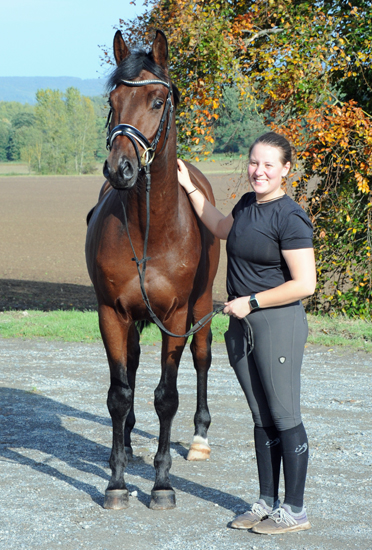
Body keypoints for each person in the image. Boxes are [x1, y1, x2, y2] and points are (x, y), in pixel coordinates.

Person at [177, 132, 316, 535]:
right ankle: (266, 501)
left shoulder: (290, 217)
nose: (259, 171)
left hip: (277, 325)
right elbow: (221, 226)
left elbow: (305, 283)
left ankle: (295, 510)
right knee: (261, 417)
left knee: (285, 415)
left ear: (286, 170)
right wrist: (188, 187)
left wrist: (251, 302)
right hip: (242, 328)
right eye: (254, 162)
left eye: (269, 165)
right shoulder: (247, 206)